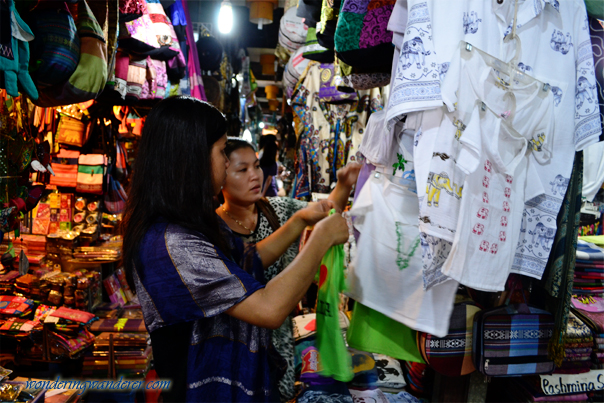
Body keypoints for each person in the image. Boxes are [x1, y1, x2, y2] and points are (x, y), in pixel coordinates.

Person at [122, 96, 349, 402]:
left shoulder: (185, 225)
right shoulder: (171, 243)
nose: (227, 163)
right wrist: (319, 239)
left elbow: (245, 260)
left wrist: (299, 221)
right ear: (192, 159)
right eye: (220, 152)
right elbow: (268, 308)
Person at [216, 137, 360, 401]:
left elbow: (326, 213)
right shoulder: (213, 231)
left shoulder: (277, 209)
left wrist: (344, 185)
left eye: (257, 166)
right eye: (242, 170)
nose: (255, 175)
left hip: (280, 344)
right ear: (219, 177)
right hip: (234, 351)